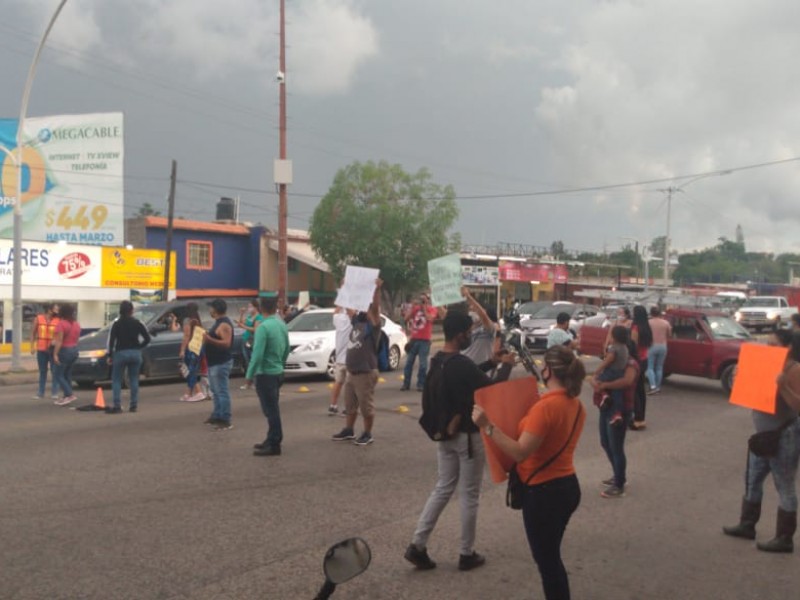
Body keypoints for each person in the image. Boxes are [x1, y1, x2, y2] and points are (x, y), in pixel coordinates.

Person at [472, 345, 586, 600]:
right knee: (551, 556)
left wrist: (487, 426)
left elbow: (520, 451)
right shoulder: (576, 405)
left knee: (548, 563)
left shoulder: (546, 408)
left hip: (545, 493)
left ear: (548, 370)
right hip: (567, 486)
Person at [404, 311, 515, 573]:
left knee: (443, 488)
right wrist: (507, 364)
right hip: (468, 437)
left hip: (446, 435)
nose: (470, 336)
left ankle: (417, 544)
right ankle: (466, 553)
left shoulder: (439, 360)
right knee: (469, 496)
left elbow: (470, 374)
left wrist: (490, 361)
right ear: (459, 334)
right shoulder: (461, 364)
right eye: (468, 332)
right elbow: (492, 388)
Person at [723, 329, 800, 553]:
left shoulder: (793, 369)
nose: (769, 349)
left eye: (774, 345)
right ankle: (747, 524)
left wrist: (783, 385)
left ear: (789, 348)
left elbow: (797, 406)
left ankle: (784, 538)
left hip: (784, 435)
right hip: (763, 435)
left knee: (784, 485)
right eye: (767, 344)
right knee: (752, 479)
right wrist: (741, 378)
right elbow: (752, 396)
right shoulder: (767, 365)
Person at [332, 279, 383, 446]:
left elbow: (374, 309)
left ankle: (368, 433)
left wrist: (375, 291)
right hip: (352, 372)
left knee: (365, 406)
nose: (363, 311)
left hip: (365, 372)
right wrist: (345, 288)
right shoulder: (358, 323)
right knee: (350, 404)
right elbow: (349, 310)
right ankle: (349, 429)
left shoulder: (373, 326)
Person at [592, 338, 640, 498]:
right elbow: (596, 377)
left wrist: (605, 386)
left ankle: (619, 484)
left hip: (621, 409)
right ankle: (618, 475)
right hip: (606, 407)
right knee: (605, 442)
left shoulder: (631, 364)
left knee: (616, 446)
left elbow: (626, 382)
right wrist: (596, 382)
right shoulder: (613, 365)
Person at [247, 296, 290, 456]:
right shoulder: (281, 324)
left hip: (265, 373)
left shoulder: (263, 328)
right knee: (272, 408)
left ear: (261, 308)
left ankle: (274, 443)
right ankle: (271, 437)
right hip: (277, 371)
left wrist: (249, 375)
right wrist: (281, 364)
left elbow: (257, 354)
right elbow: (287, 348)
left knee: (270, 410)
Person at [107, 301, 151, 414]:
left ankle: (117, 405)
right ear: (132, 310)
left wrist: (110, 355)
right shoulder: (138, 323)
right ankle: (133, 405)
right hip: (135, 353)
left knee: (116, 379)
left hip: (121, 353)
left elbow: (111, 341)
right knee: (134, 379)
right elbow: (147, 338)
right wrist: (139, 347)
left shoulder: (116, 324)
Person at [402, 292, 444, 391]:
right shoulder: (416, 309)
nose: (422, 302)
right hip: (414, 339)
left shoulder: (432, 309)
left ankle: (421, 384)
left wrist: (424, 308)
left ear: (428, 300)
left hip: (424, 341)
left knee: (423, 364)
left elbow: (430, 318)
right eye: (421, 299)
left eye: (424, 300)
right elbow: (406, 318)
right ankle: (406, 384)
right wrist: (412, 308)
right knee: (408, 363)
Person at [203, 299, 234, 430]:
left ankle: (225, 419)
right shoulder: (218, 323)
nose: (209, 311)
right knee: (215, 391)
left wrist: (209, 339)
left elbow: (226, 343)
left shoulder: (224, 325)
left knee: (222, 391)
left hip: (221, 362)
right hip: (213, 362)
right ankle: (217, 415)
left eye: (211, 308)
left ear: (216, 309)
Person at [592, 325, 629, 427]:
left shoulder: (614, 348)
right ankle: (616, 414)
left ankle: (604, 395)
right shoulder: (625, 347)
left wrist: (597, 371)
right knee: (617, 394)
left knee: (598, 382)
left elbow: (608, 360)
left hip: (611, 372)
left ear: (615, 337)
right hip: (620, 373)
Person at [460, 287, 501, 367]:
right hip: (463, 367)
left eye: (474, 310)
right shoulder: (468, 327)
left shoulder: (489, 329)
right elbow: (446, 317)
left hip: (480, 370)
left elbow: (483, 315)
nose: (472, 312)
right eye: (470, 310)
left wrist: (468, 297)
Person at [52, 304, 81, 406]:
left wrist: (55, 354)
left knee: (58, 374)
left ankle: (69, 395)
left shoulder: (61, 324)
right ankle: (66, 396)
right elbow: (77, 339)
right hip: (74, 350)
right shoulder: (76, 324)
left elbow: (59, 341)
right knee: (67, 374)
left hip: (65, 351)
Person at [629, 305, 653, 430]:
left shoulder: (635, 327)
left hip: (636, 360)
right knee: (641, 391)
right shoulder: (647, 327)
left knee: (635, 392)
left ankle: (637, 419)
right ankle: (641, 417)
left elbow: (633, 345)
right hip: (644, 359)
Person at [30, 303, 60, 400]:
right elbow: (33, 333)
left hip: (53, 350)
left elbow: (60, 335)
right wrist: (32, 347)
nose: (57, 311)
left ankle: (55, 392)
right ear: (49, 310)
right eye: (55, 309)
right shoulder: (38, 318)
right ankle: (40, 392)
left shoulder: (58, 320)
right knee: (43, 371)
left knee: (54, 371)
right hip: (41, 349)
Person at [178, 302, 207, 403]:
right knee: (191, 370)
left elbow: (186, 335)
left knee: (190, 371)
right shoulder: (198, 320)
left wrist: (182, 350)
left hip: (190, 348)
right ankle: (188, 393)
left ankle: (199, 392)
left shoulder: (187, 320)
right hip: (198, 348)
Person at [329, 305, 354, 416]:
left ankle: (333, 405)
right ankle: (347, 407)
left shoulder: (338, 319)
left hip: (339, 358)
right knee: (349, 385)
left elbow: (335, 312)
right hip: (350, 358)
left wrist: (341, 302)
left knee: (338, 382)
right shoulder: (352, 320)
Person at [237, 299, 264, 391]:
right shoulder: (249, 316)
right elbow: (240, 323)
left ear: (256, 307)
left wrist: (243, 327)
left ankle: (255, 382)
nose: (249, 308)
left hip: (253, 341)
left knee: (254, 361)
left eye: (250, 306)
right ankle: (249, 382)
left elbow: (255, 329)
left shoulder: (259, 317)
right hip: (246, 340)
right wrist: (241, 314)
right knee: (247, 361)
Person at [646, 306, 672, 394]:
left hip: (652, 345)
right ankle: (658, 386)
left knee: (650, 367)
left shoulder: (648, 322)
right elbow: (669, 334)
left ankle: (652, 386)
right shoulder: (666, 323)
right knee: (659, 367)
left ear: (651, 313)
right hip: (663, 346)